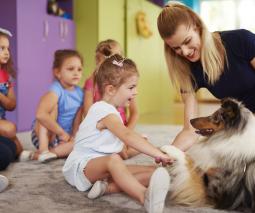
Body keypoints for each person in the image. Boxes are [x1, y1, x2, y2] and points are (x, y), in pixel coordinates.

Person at [63, 54, 172, 213]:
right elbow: (127, 135)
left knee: (155, 172)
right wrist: (157, 153)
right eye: (131, 87)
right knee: (113, 160)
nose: (136, 92)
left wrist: (140, 144)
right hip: (81, 166)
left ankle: (106, 188)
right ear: (110, 89)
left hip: (100, 167)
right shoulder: (101, 109)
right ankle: (144, 196)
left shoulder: (112, 113)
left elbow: (120, 144)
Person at [157, 2, 255, 151]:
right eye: (176, 48)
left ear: (198, 27)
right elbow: (190, 130)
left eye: (187, 41)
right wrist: (170, 153)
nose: (184, 52)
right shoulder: (189, 71)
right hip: (243, 125)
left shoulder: (240, 40)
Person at [21, 49, 84, 163]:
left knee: (80, 145)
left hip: (63, 137)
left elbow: (77, 119)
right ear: (57, 73)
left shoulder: (80, 93)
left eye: (79, 69)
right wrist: (61, 133)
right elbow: (40, 115)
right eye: (71, 69)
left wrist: (73, 137)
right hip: (44, 134)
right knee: (51, 107)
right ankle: (44, 150)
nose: (76, 73)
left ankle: (41, 154)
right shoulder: (56, 89)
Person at [83, 39, 140, 159]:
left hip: (121, 129)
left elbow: (135, 113)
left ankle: (129, 147)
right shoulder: (91, 83)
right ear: (98, 61)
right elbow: (88, 113)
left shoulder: (127, 84)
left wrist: (126, 135)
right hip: (102, 129)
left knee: (130, 146)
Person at [0, 27, 24, 191]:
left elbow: (11, 105)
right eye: (1, 48)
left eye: (7, 48)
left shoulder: (6, 76)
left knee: (18, 148)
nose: (6, 52)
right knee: (9, 130)